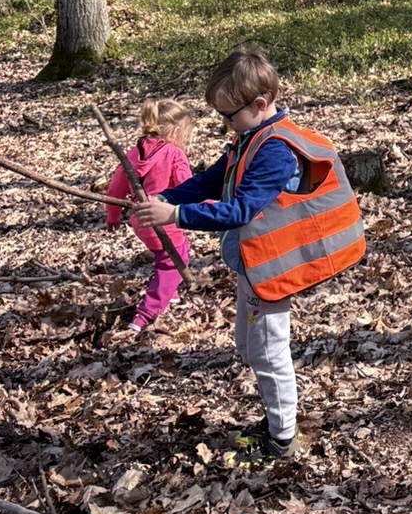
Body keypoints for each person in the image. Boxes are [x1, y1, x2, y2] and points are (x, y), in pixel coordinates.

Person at [131, 45, 365, 466]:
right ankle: (278, 420)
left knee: (268, 352)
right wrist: (166, 197)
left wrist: (177, 215)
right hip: (252, 266)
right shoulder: (249, 137)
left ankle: (282, 438)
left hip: (272, 270)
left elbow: (240, 210)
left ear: (259, 104)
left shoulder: (274, 151)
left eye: (229, 115)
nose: (225, 124)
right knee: (248, 344)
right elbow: (213, 179)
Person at [104, 99, 195, 331]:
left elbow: (115, 189)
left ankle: (170, 293)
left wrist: (113, 215)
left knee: (167, 253)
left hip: (140, 219)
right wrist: (210, 207)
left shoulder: (134, 153)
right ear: (174, 131)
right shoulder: (174, 154)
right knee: (173, 261)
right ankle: (145, 314)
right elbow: (188, 188)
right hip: (163, 218)